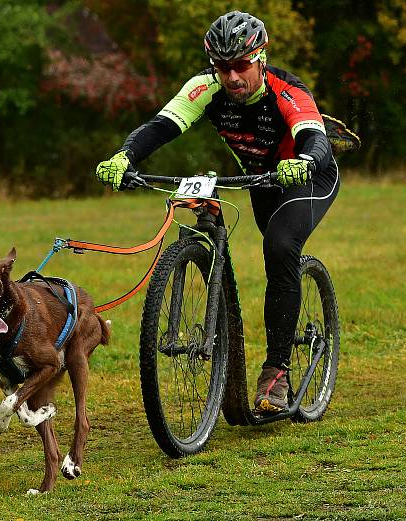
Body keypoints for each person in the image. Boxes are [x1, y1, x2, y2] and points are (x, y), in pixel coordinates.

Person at [95, 10, 339, 414]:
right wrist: (124, 157)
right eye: (223, 68)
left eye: (241, 66)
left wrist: (306, 160)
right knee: (272, 248)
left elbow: (315, 138)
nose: (232, 78)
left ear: (261, 58)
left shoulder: (288, 91)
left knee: (280, 247)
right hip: (261, 179)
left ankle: (277, 372)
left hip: (309, 177)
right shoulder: (205, 88)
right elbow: (161, 126)